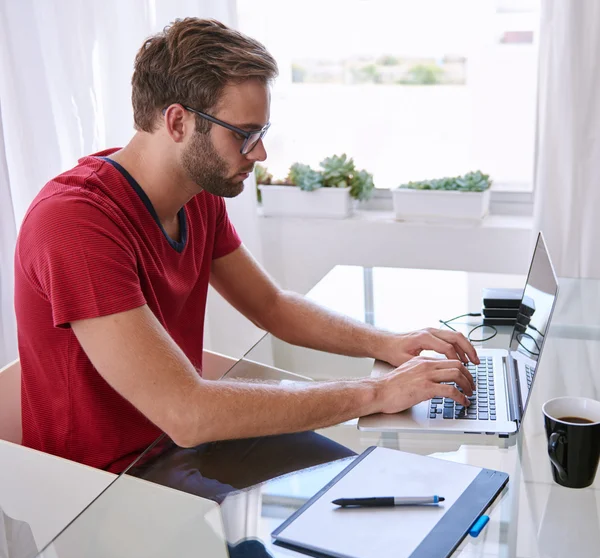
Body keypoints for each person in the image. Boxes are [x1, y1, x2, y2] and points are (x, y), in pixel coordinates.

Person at [14, 17, 478, 480]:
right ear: (178, 122)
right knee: (338, 516)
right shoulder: (76, 223)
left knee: (375, 485)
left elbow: (272, 306)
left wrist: (390, 344)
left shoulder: (198, 194)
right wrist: (376, 393)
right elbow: (188, 412)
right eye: (244, 134)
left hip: (183, 443)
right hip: (105, 484)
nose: (259, 154)